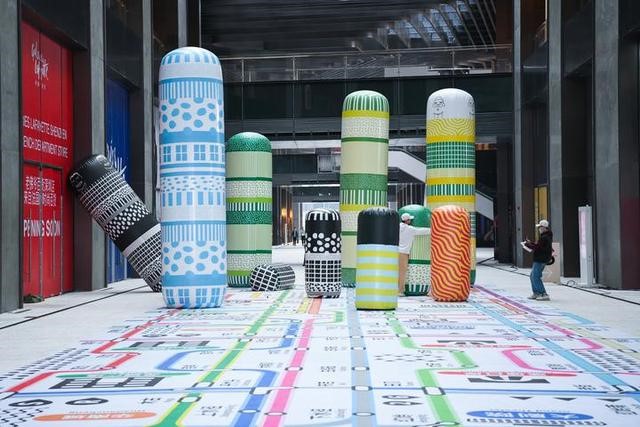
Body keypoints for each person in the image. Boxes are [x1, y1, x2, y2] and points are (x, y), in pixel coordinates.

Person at [398, 212, 431, 296]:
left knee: (396, 271)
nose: (411, 221)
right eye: (410, 220)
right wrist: (434, 228)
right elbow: (423, 231)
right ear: (407, 221)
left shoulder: (397, 227)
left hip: (395, 251)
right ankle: (399, 291)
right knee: (402, 273)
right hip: (403, 253)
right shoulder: (410, 229)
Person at [523, 219, 553, 301]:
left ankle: (543, 293)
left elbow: (538, 247)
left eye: (540, 227)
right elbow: (539, 246)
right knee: (532, 275)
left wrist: (528, 244)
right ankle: (536, 292)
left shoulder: (545, 237)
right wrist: (530, 243)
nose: (539, 229)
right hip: (541, 258)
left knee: (535, 276)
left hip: (540, 259)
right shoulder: (546, 236)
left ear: (544, 228)